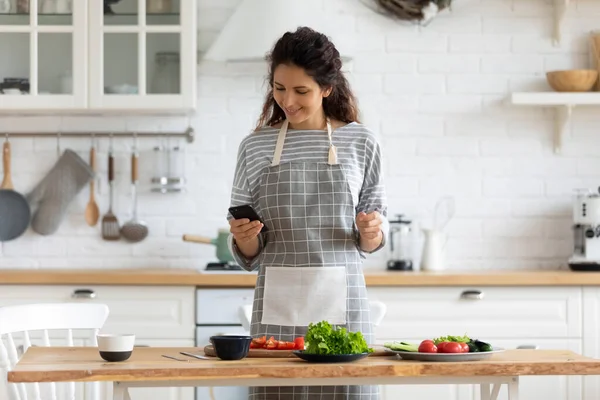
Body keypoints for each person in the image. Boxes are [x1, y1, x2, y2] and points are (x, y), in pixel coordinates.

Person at [227, 26, 388, 400]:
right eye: (280, 88)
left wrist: (370, 230)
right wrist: (245, 239)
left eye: (301, 91)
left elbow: (372, 242)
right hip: (276, 310)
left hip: (344, 307)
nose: (288, 101)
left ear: (327, 88)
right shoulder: (255, 146)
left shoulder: (361, 141)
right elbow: (249, 256)